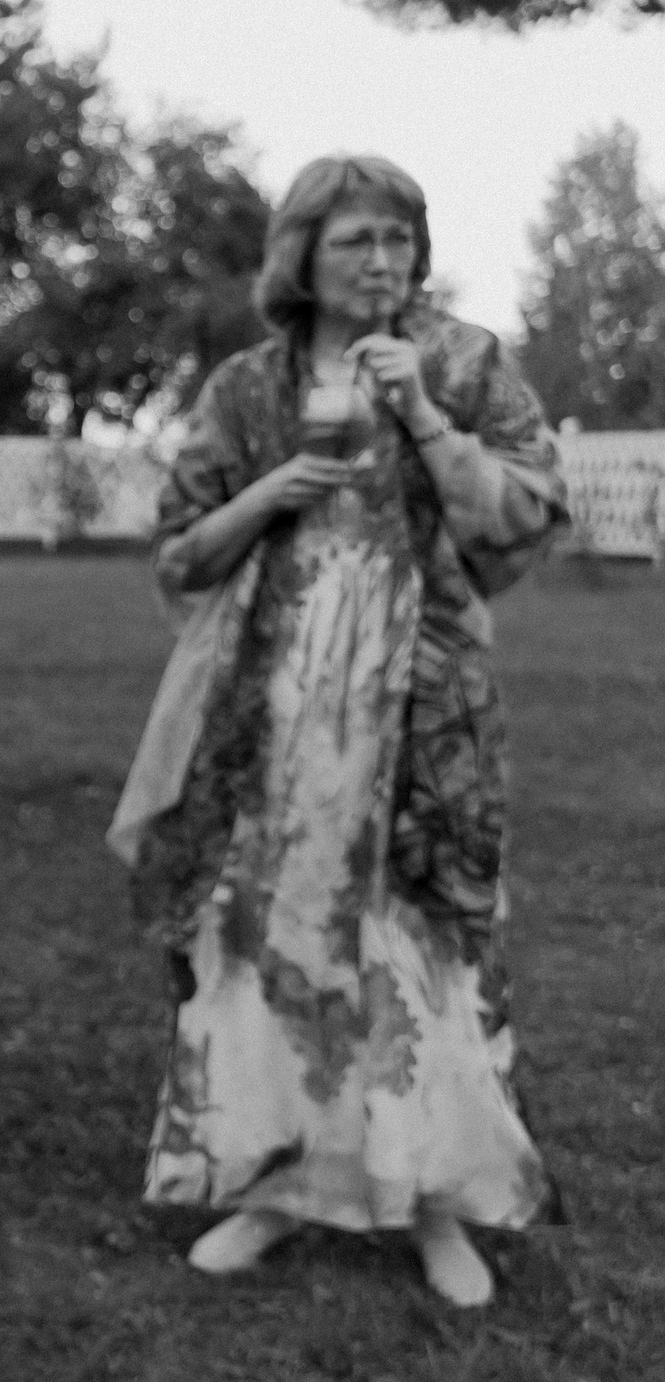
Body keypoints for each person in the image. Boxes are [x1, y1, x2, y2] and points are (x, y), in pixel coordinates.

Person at [108, 155, 567, 1308]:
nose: (384, 259)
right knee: (273, 935)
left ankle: (431, 1199)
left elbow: (526, 516)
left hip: (423, 710)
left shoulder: (462, 365)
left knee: (416, 940)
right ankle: (273, 1180)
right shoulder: (247, 389)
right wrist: (272, 493)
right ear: (302, 255)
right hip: (273, 714)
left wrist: (421, 415)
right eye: (358, 238)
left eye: (400, 237)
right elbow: (176, 550)